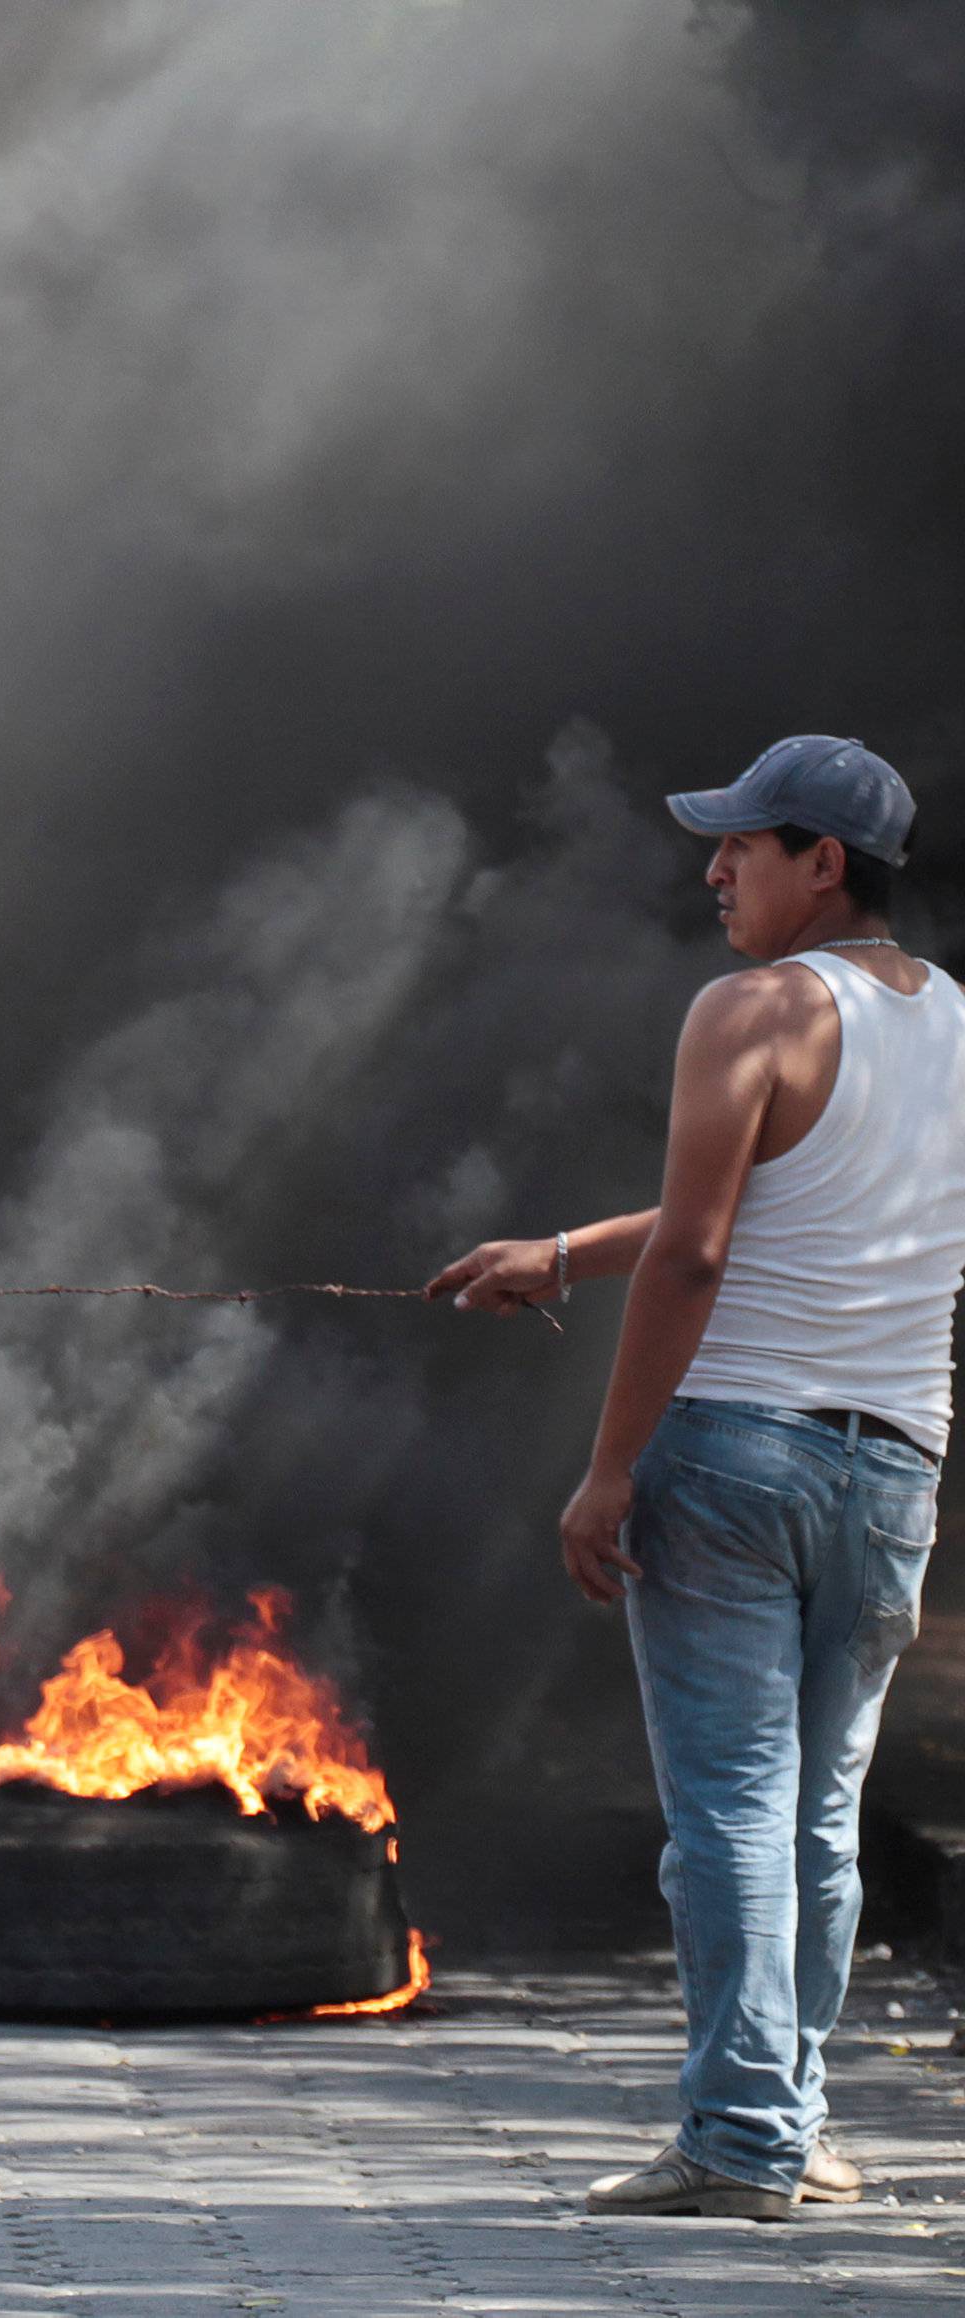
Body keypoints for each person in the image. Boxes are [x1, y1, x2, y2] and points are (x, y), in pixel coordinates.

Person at [429, 736, 962, 2221]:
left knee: (731, 1807)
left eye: (746, 845)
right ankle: (792, 2116)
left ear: (826, 863)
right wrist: (558, 1252)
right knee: (821, 1812)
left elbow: (704, 1246)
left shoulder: (753, 1006)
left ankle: (738, 2137)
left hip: (735, 1458)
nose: (717, 869)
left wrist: (607, 1470)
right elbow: (759, 1188)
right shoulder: (959, 1028)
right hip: (895, 1466)